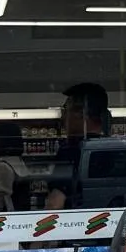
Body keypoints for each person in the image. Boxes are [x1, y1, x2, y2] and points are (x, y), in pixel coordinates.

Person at [45, 82, 111, 210]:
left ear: (81, 113)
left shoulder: (71, 151)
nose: (63, 117)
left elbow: (55, 203)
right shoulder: (116, 150)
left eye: (65, 110)